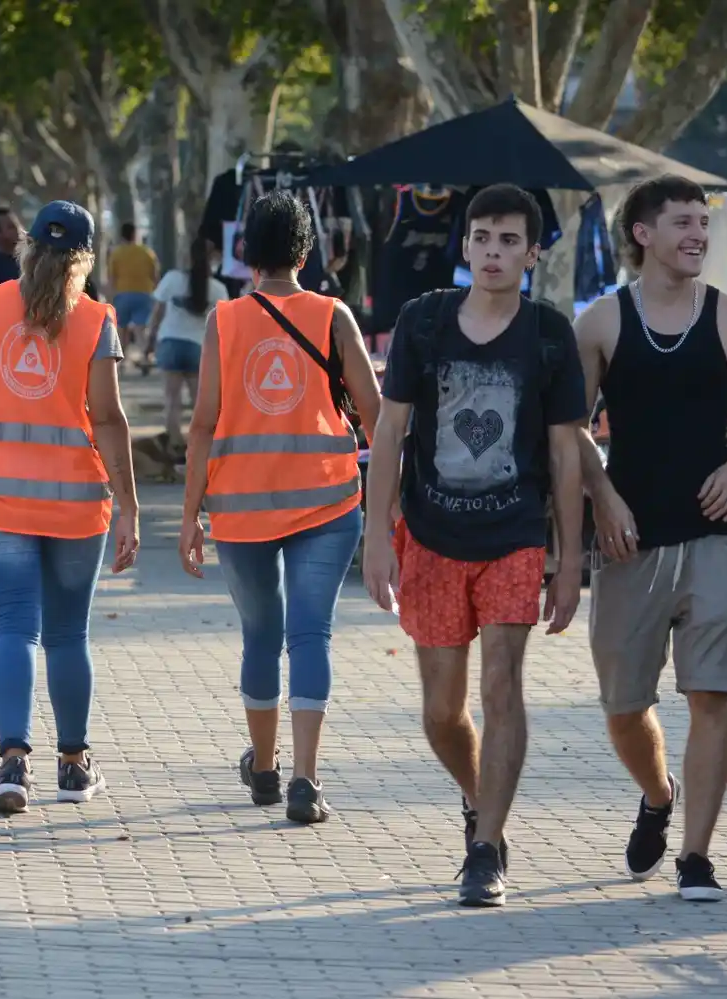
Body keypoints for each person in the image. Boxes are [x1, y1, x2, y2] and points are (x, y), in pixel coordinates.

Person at [362, 184, 587, 906]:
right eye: (483, 237)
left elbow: (565, 454)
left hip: (516, 536)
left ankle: (486, 847)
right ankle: (474, 792)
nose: (494, 251)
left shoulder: (551, 333)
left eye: (509, 240)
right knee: (440, 710)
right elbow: (390, 433)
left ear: (532, 251)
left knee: (502, 686)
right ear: (465, 245)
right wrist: (375, 537)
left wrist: (568, 559)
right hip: (429, 534)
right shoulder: (423, 321)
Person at [573, 175, 727, 902]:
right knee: (623, 705)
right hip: (630, 540)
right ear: (643, 233)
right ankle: (658, 796)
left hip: (714, 536)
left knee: (710, 694)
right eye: (684, 223)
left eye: (703, 223)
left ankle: (697, 854)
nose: (698, 234)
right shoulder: (601, 322)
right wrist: (600, 495)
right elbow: (566, 426)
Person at [180, 192, 381, 825]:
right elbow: (376, 413)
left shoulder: (224, 320)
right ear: (306, 250)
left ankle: (263, 770)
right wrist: (395, 503)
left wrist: (190, 515)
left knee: (262, 635)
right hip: (327, 503)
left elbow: (203, 424)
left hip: (241, 509)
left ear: (245, 252)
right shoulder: (333, 315)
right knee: (310, 633)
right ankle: (305, 780)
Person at [0, 200, 139, 812]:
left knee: (12, 629)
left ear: (25, 246)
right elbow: (106, 417)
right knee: (67, 634)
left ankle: (11, 766)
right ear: (87, 258)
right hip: (77, 504)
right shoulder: (96, 319)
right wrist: (129, 504)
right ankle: (74, 767)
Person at [147, 238, 229, 451]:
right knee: (198, 403)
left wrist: (149, 342)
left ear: (189, 256)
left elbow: (157, 314)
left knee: (171, 400)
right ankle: (199, 447)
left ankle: (174, 446)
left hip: (170, 343)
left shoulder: (172, 279)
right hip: (198, 348)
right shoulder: (219, 289)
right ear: (213, 259)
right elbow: (223, 326)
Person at [109, 222, 160, 354]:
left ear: (121, 235)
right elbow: (155, 275)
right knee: (140, 329)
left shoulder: (116, 253)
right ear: (134, 234)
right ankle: (145, 355)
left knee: (121, 329)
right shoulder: (147, 252)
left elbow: (111, 277)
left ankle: (121, 360)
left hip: (123, 294)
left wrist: (111, 296)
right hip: (144, 293)